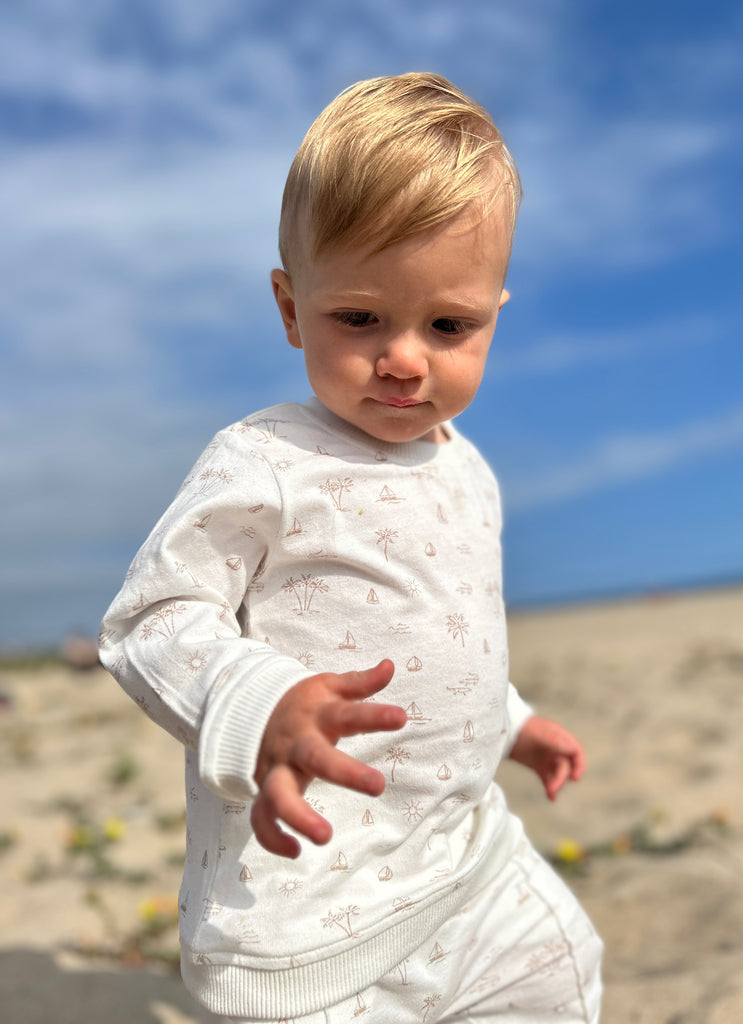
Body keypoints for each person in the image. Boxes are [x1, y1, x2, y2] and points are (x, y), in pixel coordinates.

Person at [99, 72, 602, 1023]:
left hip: (464, 863)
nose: (405, 357)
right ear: (293, 309)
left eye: (449, 326)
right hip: (311, 898)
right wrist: (262, 700)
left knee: (563, 965)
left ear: (495, 311)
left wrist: (512, 721)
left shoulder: (470, 471)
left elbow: (448, 640)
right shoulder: (265, 460)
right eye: (359, 319)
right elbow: (152, 619)